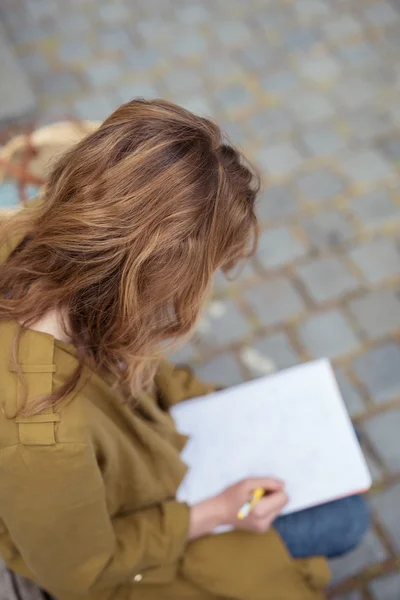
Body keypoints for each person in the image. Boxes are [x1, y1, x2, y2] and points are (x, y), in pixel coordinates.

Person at [0, 99, 369, 600]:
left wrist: (210, 404)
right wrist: (215, 512)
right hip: (132, 557)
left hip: (145, 467)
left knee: (342, 508)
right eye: (200, 275)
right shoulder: (42, 436)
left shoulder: (39, 232)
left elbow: (127, 370)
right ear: (149, 276)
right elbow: (81, 573)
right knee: (345, 520)